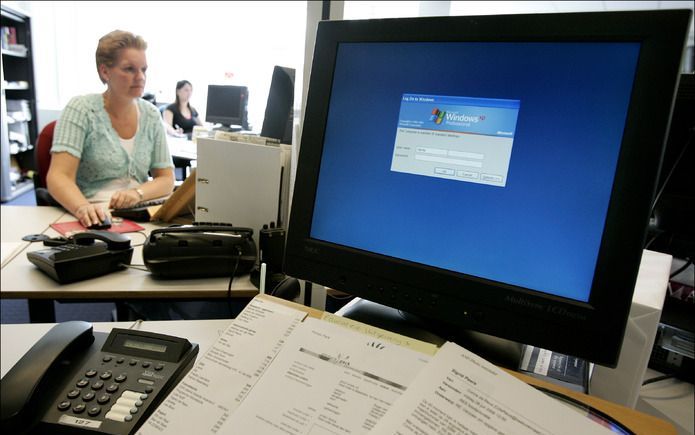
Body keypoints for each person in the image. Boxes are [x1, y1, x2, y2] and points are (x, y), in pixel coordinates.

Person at [47, 30, 175, 228]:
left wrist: (137, 193)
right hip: (93, 215)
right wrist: (82, 207)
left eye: (144, 69)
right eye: (129, 69)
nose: (140, 77)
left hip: (140, 214)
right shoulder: (82, 110)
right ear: (105, 71)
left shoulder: (151, 114)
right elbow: (58, 176)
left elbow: (166, 179)